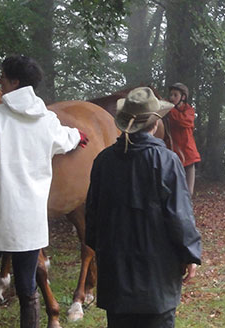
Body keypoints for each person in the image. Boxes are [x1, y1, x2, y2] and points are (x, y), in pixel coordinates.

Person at [0, 55, 88, 328]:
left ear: (15, 82)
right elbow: (65, 138)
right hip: (29, 223)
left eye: (3, 76)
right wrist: (77, 136)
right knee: (27, 290)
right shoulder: (47, 119)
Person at [85, 87, 202, 328]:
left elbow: (93, 218)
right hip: (156, 280)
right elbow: (179, 216)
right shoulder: (167, 161)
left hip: (116, 278)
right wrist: (190, 254)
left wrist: (104, 252)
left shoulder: (103, 161)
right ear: (155, 122)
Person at [165, 83, 200, 195]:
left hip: (188, 153)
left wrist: (168, 109)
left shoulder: (189, 111)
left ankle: (187, 210)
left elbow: (182, 121)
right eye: (171, 95)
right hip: (172, 153)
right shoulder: (166, 111)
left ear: (183, 97)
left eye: (175, 95)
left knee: (188, 192)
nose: (171, 98)